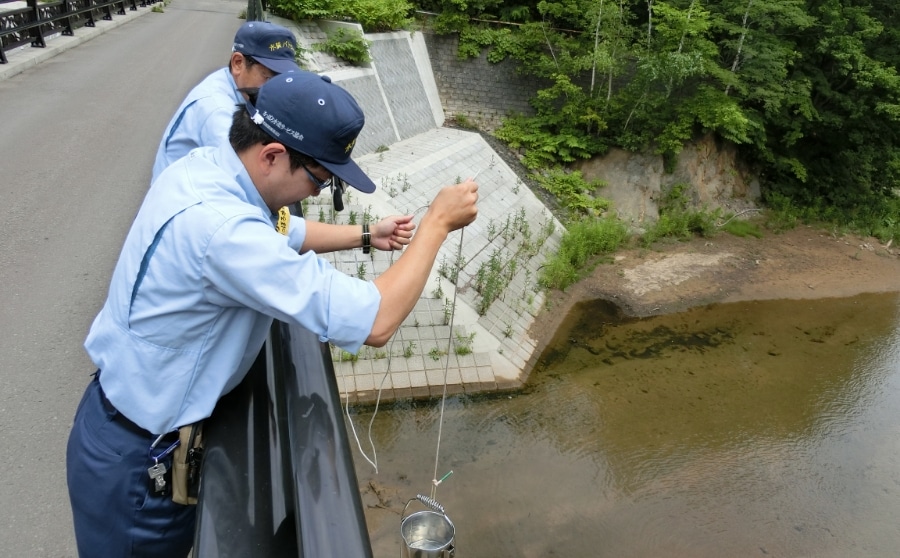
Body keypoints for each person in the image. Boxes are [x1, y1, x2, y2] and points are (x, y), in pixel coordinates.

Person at [66, 71, 479, 557]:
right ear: (271, 156)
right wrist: (437, 222)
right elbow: (376, 320)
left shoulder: (209, 169)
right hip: (138, 469)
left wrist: (367, 235)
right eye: (320, 181)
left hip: (119, 432)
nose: (316, 194)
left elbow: (282, 230)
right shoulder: (225, 232)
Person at [151, 20, 305, 183]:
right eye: (268, 77)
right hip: (180, 201)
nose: (276, 87)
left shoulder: (233, 82)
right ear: (238, 63)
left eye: (283, 79)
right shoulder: (218, 111)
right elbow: (247, 176)